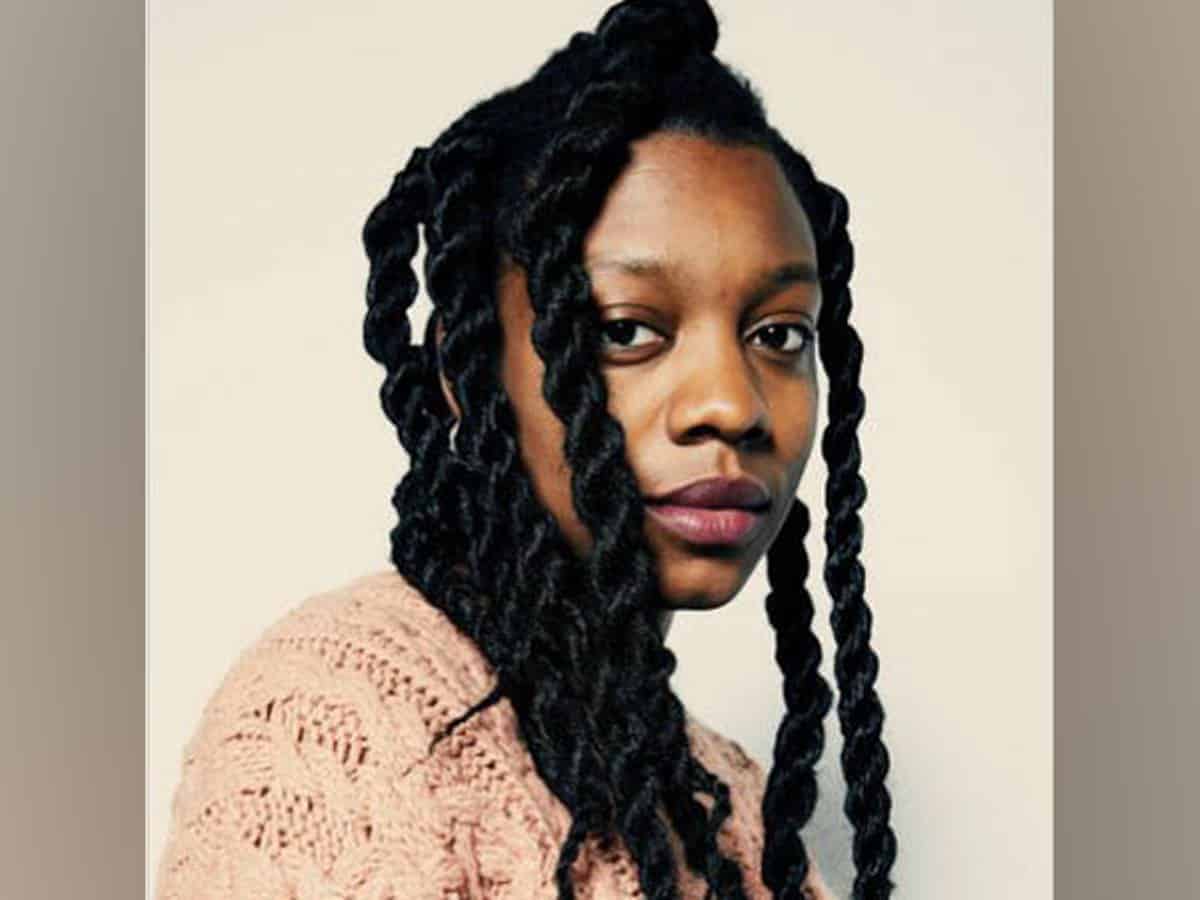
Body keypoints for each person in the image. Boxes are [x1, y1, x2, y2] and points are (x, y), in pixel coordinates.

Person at [154, 1, 897, 898]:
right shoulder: (339, 722)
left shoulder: (733, 808)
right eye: (626, 330)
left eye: (779, 335)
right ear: (467, 368)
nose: (732, 405)